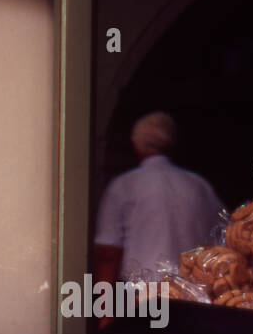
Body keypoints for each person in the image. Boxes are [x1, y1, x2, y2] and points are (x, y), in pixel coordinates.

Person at [93, 111, 222, 285]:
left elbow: (108, 254)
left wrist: (105, 308)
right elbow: (221, 244)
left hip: (144, 296)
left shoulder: (124, 186)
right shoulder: (199, 186)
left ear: (135, 145)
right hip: (193, 297)